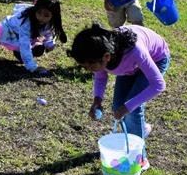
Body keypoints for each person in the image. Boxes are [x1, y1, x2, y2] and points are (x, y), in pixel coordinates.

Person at [69, 22, 171, 156]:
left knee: (132, 109)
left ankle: (139, 157)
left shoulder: (135, 51)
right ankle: (140, 128)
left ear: (106, 57)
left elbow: (158, 85)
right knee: (118, 106)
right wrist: (97, 100)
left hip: (156, 59)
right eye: (85, 66)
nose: (88, 70)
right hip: (130, 67)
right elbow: (100, 77)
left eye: (90, 65)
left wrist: (128, 107)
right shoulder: (100, 54)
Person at [0, 0, 68, 76]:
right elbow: (24, 43)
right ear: (35, 10)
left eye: (46, 15)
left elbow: (48, 34)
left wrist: (49, 44)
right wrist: (32, 67)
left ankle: (18, 54)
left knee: (39, 50)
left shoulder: (50, 23)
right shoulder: (27, 20)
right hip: (9, 30)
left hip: (26, 38)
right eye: (39, 13)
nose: (41, 17)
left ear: (53, 16)